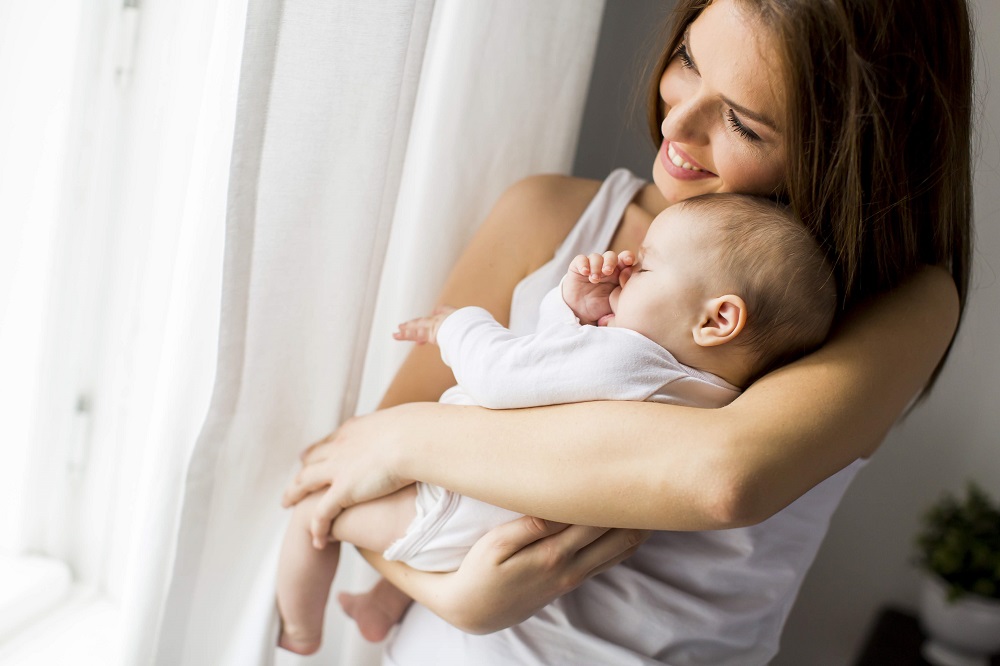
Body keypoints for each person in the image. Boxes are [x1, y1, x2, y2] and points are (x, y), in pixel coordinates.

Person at [281, 0, 972, 663]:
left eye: (744, 124)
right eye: (687, 60)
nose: (678, 125)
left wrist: (410, 438)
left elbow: (720, 477)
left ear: (852, 143)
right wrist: (451, 595)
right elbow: (353, 476)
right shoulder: (550, 216)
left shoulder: (893, 303)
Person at [276, 194, 836, 654]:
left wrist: (459, 327)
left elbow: (505, 375)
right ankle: (382, 603)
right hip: (505, 534)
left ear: (718, 318)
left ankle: (299, 633)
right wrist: (578, 313)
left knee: (314, 504)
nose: (620, 277)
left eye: (640, 268)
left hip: (449, 507)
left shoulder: (627, 358)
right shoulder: (716, 400)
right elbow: (561, 378)